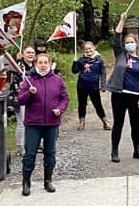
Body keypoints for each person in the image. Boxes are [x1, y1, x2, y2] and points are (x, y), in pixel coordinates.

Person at [17, 53, 69, 196]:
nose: (43, 65)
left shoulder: (57, 80)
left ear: (50, 63)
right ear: (35, 64)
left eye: (46, 62)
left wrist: (60, 109)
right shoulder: (29, 80)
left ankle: (48, 181)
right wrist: (30, 93)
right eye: (40, 62)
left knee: (50, 153)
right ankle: (26, 182)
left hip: (52, 123)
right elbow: (20, 100)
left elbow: (64, 98)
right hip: (33, 124)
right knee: (30, 154)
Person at [105, 13, 139, 163]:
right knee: (118, 123)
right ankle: (114, 151)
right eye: (127, 42)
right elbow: (116, 38)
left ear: (137, 44)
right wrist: (122, 20)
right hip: (120, 95)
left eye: (132, 42)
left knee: (135, 125)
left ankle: (137, 150)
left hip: (135, 96)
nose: (129, 44)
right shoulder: (121, 55)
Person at [72, 41, 110, 131]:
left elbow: (103, 73)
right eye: (86, 49)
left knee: (97, 104)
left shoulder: (99, 60)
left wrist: (103, 85)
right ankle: (82, 122)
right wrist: (75, 62)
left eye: (90, 48)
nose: (88, 50)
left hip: (94, 86)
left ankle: (105, 121)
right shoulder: (81, 60)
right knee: (82, 104)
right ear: (84, 50)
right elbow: (74, 71)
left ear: (94, 48)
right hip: (82, 86)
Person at [9, 46, 36, 156]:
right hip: (20, 96)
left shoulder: (36, 66)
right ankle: (20, 147)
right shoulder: (18, 66)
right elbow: (10, 71)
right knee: (22, 122)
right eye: (28, 52)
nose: (30, 54)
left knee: (33, 122)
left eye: (32, 53)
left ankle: (30, 144)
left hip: (34, 97)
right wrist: (17, 60)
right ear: (23, 54)